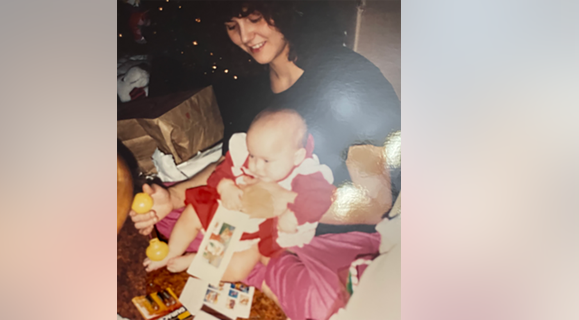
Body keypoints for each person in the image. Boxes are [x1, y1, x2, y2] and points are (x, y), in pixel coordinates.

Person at [129, 2, 400, 319]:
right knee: (164, 215)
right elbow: (230, 165)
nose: (245, 36)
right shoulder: (249, 86)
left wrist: (287, 202)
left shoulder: (347, 80)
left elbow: (376, 202)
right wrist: (173, 197)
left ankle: (262, 265)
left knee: (331, 302)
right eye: (232, 26)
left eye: (255, 18)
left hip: (326, 231)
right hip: (252, 216)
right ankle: (254, 263)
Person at [142, 110, 335, 288]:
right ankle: (173, 250)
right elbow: (221, 170)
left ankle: (194, 260)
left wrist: (293, 213)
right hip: (228, 209)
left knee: (241, 267)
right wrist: (225, 186)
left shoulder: (307, 174)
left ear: (297, 156)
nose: (256, 166)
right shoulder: (244, 156)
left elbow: (319, 199)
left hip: (259, 230)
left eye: (266, 161)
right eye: (252, 155)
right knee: (191, 212)